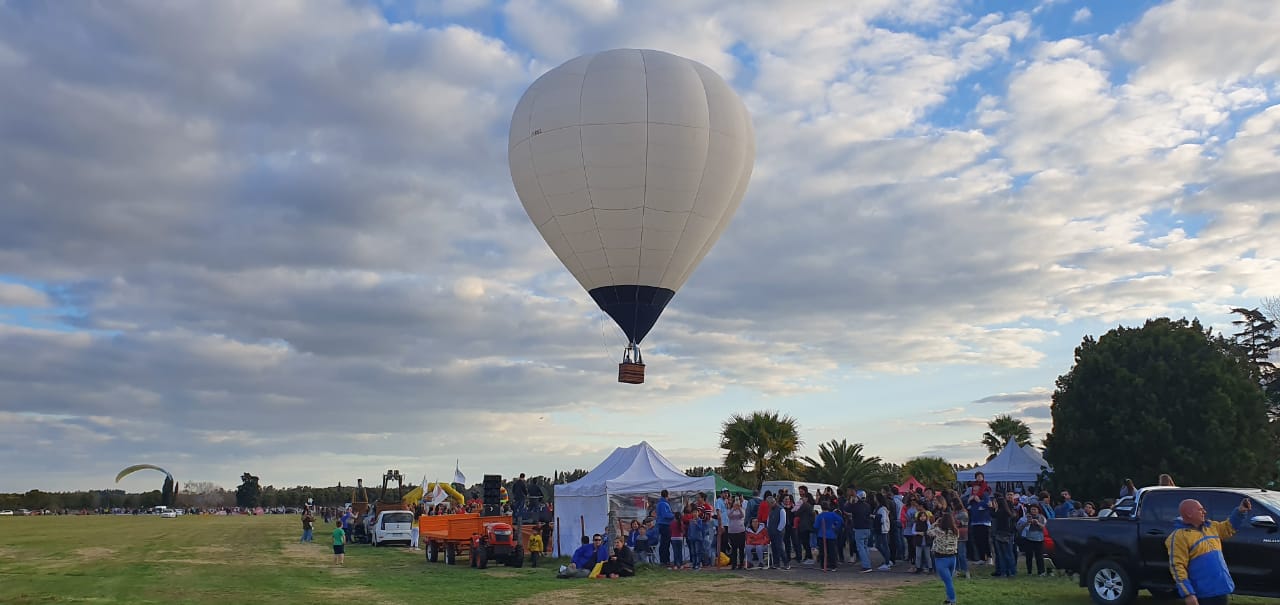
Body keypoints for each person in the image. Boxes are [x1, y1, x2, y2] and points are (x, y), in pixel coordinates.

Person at [1166, 497, 1251, 605]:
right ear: (1189, 514)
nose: (1204, 512)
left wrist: (1240, 511)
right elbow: (1177, 567)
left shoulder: (1211, 526)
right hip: (1203, 594)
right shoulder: (1178, 537)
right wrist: (1188, 594)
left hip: (1221, 589)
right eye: (1200, 510)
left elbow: (1227, 528)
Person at [928, 513, 960, 605]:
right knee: (948, 580)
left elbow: (928, 532)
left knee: (948, 581)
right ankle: (949, 599)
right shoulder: (955, 531)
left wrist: (935, 523)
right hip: (952, 558)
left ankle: (953, 601)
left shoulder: (939, 530)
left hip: (941, 558)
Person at [1017, 502, 1048, 576]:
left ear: (1038, 510)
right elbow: (1019, 527)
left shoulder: (1042, 517)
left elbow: (1045, 528)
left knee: (1039, 556)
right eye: (1032, 509)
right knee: (1029, 556)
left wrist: (1038, 523)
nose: (1033, 511)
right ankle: (1029, 571)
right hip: (1028, 538)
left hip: (1039, 539)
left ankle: (1041, 572)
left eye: (1035, 509)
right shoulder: (1026, 517)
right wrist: (1027, 523)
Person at [814, 504, 844, 571]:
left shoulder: (819, 516)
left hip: (821, 535)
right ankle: (833, 566)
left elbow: (816, 526)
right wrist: (836, 528)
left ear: (822, 508)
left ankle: (823, 565)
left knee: (823, 551)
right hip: (831, 535)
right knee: (832, 551)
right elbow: (841, 520)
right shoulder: (833, 514)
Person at [726, 497, 747, 570]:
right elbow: (729, 516)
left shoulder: (742, 510)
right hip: (732, 532)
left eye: (737, 504)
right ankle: (734, 564)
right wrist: (733, 509)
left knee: (741, 548)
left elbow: (742, 515)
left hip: (741, 531)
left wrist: (739, 508)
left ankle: (741, 564)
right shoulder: (730, 510)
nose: (736, 505)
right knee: (734, 549)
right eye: (735, 504)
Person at [655, 489, 674, 567]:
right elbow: (665, 515)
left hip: (661, 524)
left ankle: (663, 560)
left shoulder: (659, 503)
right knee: (665, 543)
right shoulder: (664, 504)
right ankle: (665, 561)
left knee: (663, 543)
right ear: (667, 495)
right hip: (665, 525)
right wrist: (673, 515)